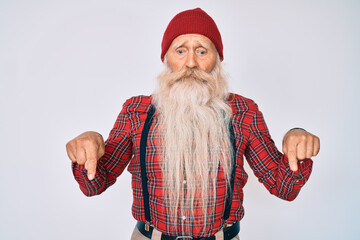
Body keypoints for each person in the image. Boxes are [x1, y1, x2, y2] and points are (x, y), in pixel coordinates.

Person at [66, 8, 320, 240]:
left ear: (216, 61)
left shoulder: (244, 113)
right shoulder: (136, 112)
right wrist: (87, 149)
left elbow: (283, 187)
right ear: (167, 59)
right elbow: (94, 184)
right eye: (180, 50)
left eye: (201, 51)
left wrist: (296, 140)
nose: (190, 63)